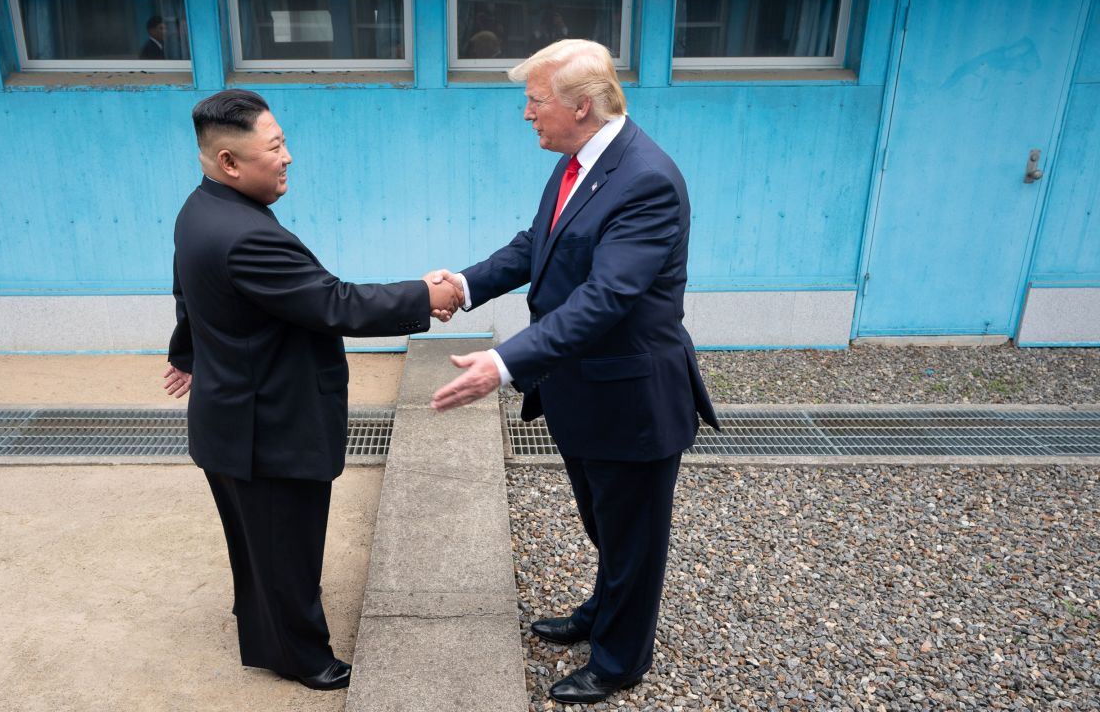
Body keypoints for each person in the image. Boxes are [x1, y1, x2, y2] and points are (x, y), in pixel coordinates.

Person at [426, 39, 720, 705]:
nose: (527, 115)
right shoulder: (579, 161)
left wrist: (505, 361)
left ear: (581, 107)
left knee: (634, 537)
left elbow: (605, 299)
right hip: (583, 392)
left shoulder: (646, 179)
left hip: (631, 401)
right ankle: (600, 612)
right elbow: (540, 244)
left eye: (535, 103)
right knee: (606, 524)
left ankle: (620, 660)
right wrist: (464, 286)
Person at [163, 90, 460, 691]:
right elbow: (332, 302)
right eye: (274, 149)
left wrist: (187, 353)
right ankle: (302, 657)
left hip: (233, 418)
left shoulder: (200, 210)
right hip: (267, 426)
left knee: (259, 544)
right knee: (286, 549)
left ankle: (269, 629)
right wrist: (424, 295)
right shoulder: (246, 234)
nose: (288, 157)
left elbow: (190, 291)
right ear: (228, 161)